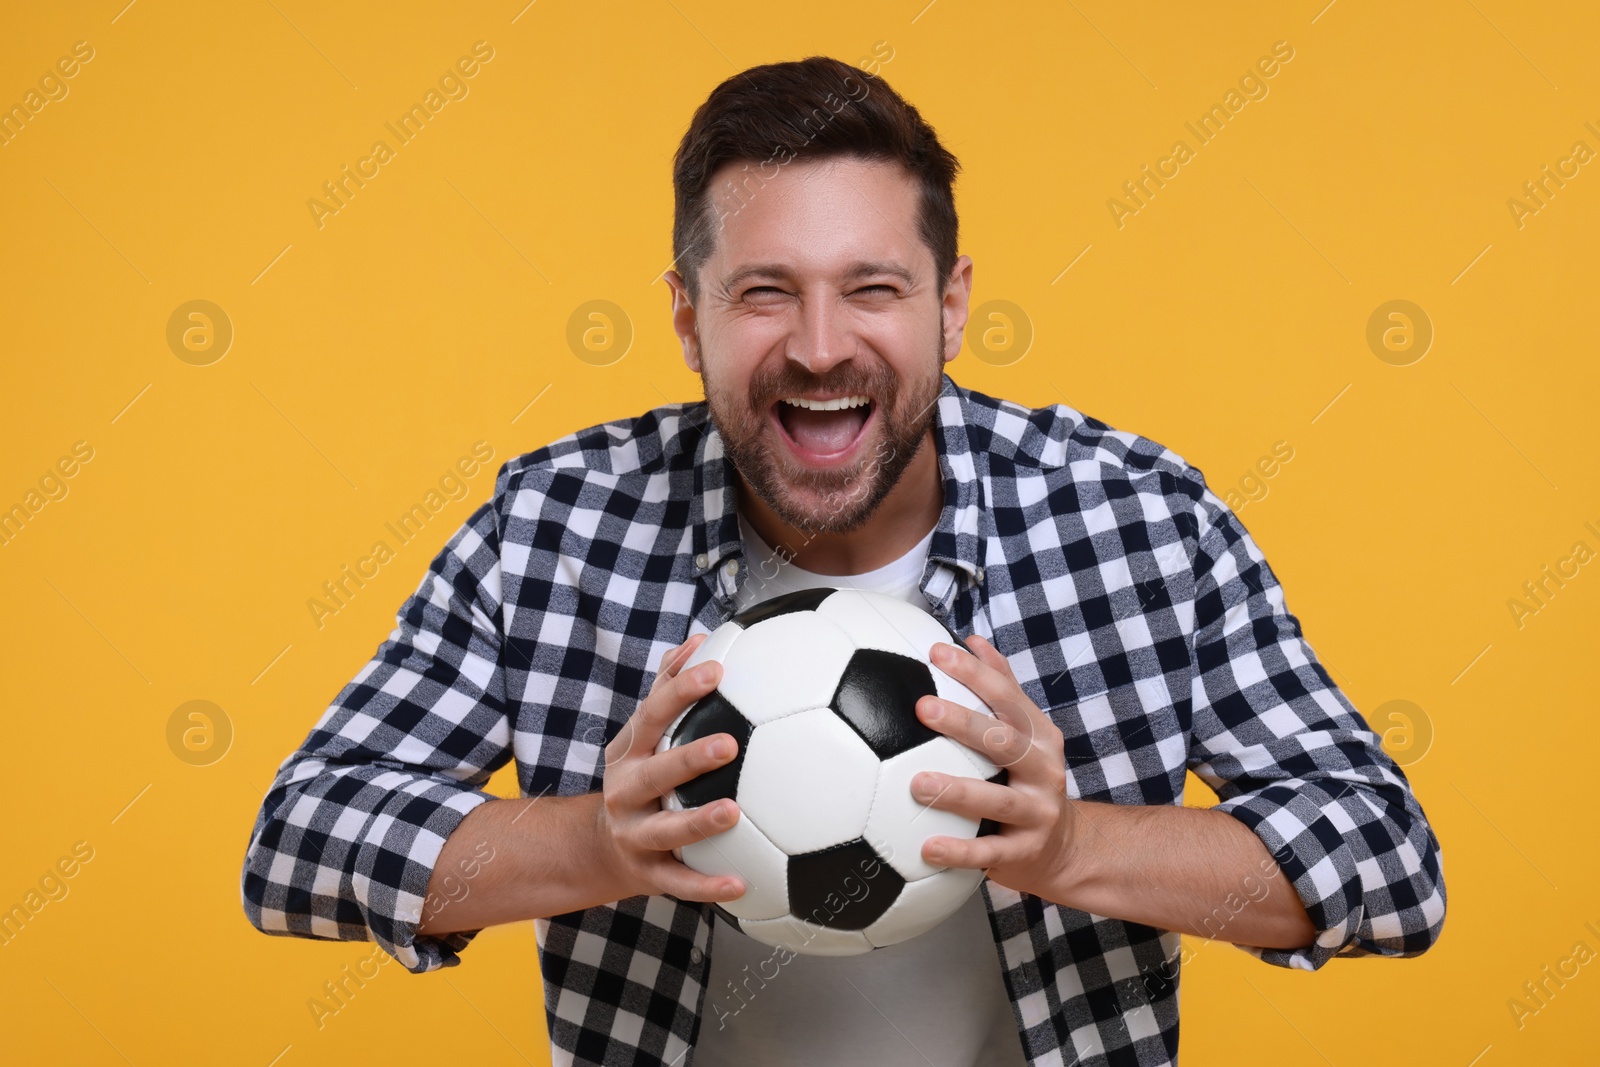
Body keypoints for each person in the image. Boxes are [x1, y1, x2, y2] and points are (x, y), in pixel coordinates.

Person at [240, 55, 1446, 1067]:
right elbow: (300, 841)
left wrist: (1077, 846)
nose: (821, 348)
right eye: (765, 292)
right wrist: (591, 846)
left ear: (951, 303)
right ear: (684, 315)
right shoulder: (558, 524)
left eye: (872, 288)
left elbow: (1388, 868)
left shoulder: (1134, 520)